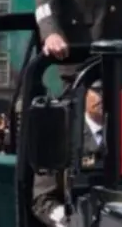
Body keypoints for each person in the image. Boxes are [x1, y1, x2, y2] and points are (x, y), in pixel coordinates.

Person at [32, 81, 105, 227]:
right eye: (97, 91)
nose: (102, 97)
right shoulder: (63, 137)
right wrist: (67, 220)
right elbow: (43, 199)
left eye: (107, 91)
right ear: (83, 94)